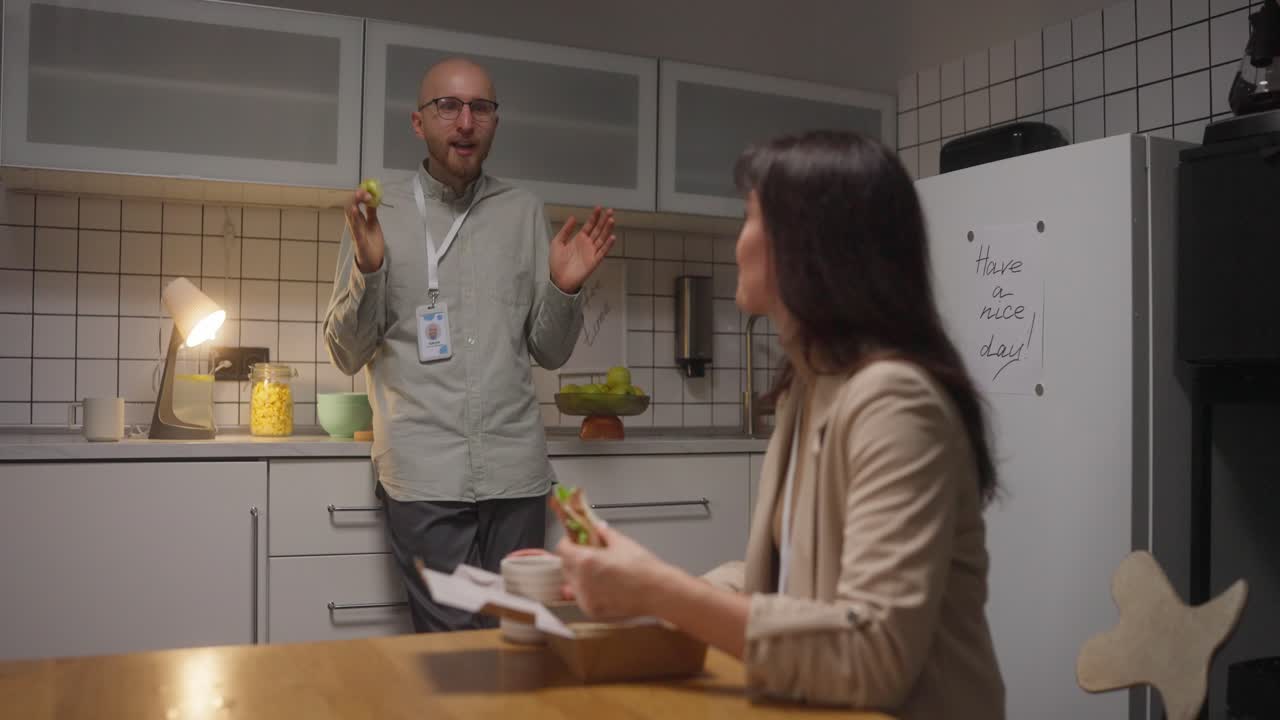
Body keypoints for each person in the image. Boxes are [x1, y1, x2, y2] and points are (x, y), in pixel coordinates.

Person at [556, 130, 1005, 718]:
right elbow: (789, 585)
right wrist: (636, 584)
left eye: (749, 219)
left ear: (808, 247)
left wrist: (655, 589)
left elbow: (873, 657)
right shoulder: (808, 389)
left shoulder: (896, 403)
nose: (737, 244)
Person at [324, 57, 615, 633]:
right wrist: (370, 267)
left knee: (517, 635)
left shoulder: (522, 212)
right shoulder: (379, 216)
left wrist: (563, 285)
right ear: (418, 122)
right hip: (425, 476)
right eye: (448, 106)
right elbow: (346, 353)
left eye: (480, 107)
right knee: (454, 643)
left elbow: (549, 351)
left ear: (494, 122)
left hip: (516, 475)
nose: (465, 122)